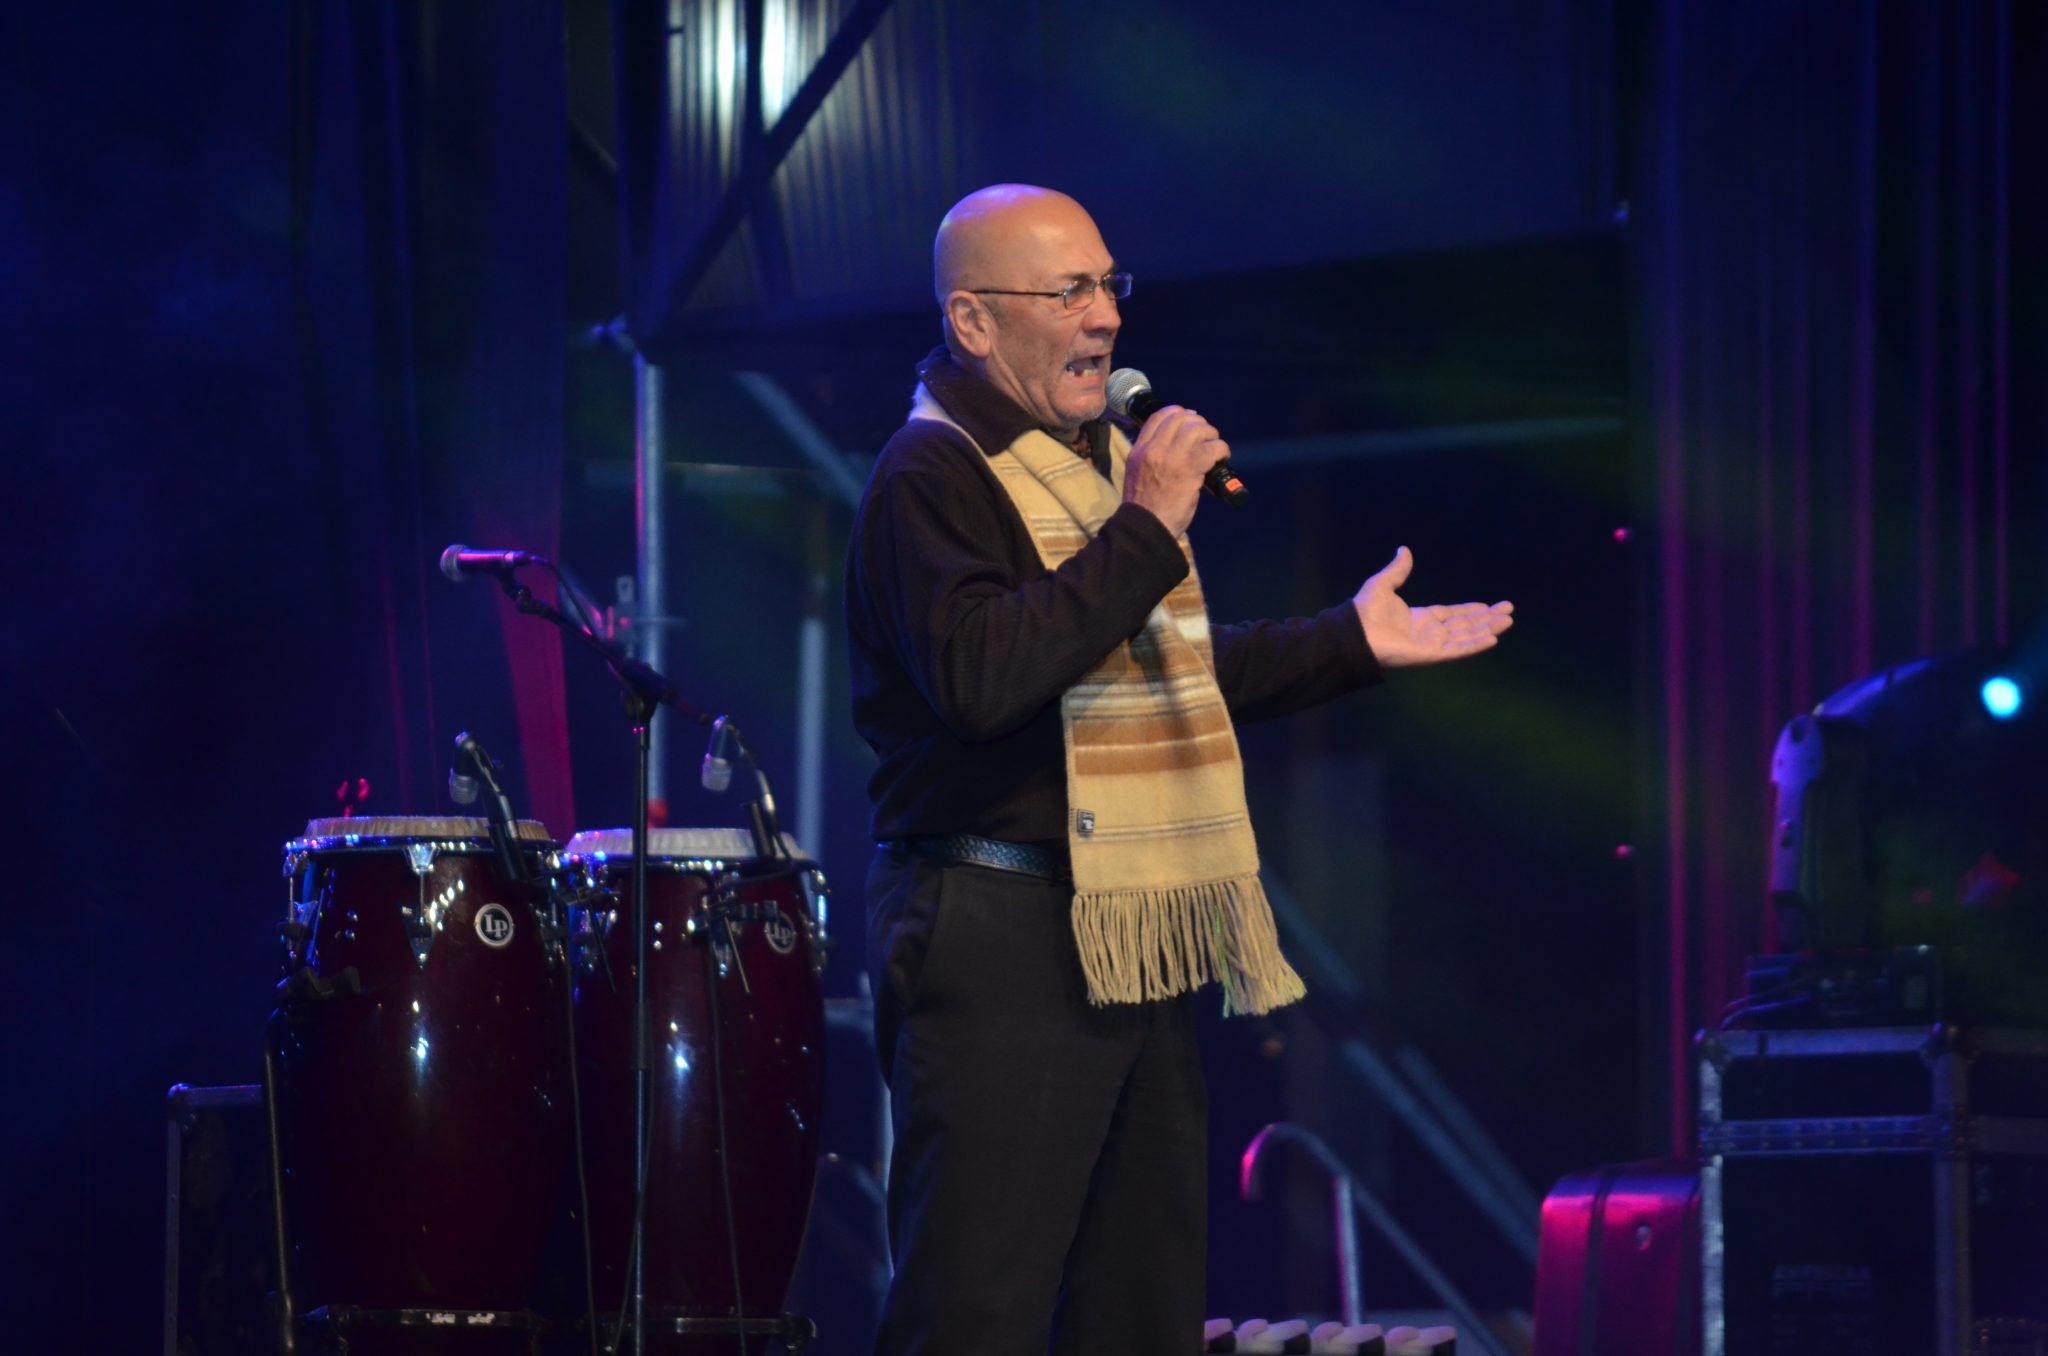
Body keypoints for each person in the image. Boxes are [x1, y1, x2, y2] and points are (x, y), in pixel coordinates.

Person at [843, 184, 1513, 1356]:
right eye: (1068, 292)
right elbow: (983, 676)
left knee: (1138, 1310)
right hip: (999, 929)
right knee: (976, 1315)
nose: (1103, 316)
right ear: (972, 324)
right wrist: (1147, 527)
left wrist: (1350, 641)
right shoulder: (929, 475)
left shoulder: (1092, 468)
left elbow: (1177, 674)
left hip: (1131, 928)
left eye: (1110, 285)